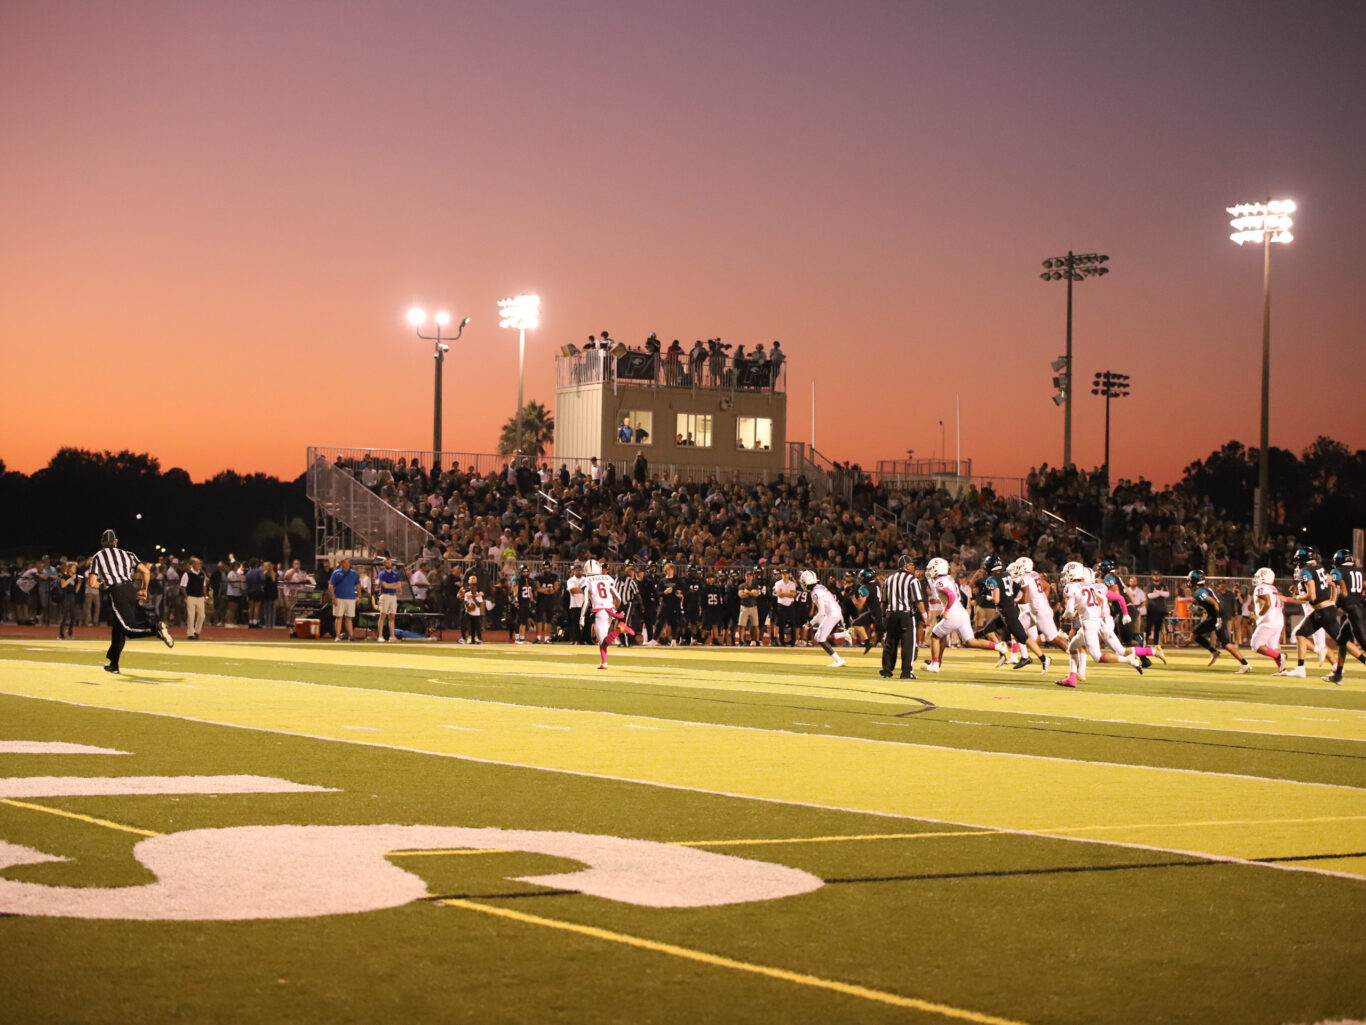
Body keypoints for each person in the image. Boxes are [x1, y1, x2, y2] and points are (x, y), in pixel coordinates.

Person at [87, 528, 174, 673]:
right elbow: (146, 571)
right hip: (130, 589)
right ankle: (114, 664)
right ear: (116, 542)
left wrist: (102, 585)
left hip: (116, 592)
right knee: (118, 630)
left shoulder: (98, 556)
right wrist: (144, 590)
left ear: (102, 542)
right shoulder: (128, 554)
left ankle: (156, 629)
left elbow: (92, 583)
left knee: (129, 629)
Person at [924, 557, 1002, 672]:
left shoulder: (939, 581)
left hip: (953, 613)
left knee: (934, 636)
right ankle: (999, 646)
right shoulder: (949, 578)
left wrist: (946, 610)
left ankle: (934, 664)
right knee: (971, 641)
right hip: (961, 612)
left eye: (931, 568)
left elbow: (951, 595)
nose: (930, 571)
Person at [1188, 569, 1250, 671]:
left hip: (1217, 617)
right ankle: (1213, 651)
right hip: (1213, 617)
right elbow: (1209, 605)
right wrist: (1198, 608)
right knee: (1194, 634)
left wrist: (1219, 619)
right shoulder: (1204, 590)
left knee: (1226, 644)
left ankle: (1245, 664)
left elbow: (1214, 603)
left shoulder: (1200, 592)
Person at [579, 558, 634, 669]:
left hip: (600, 611)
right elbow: (618, 597)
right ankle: (604, 662)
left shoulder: (586, 580)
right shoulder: (607, 578)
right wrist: (614, 610)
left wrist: (582, 617)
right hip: (610, 609)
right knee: (602, 640)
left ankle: (620, 629)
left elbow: (586, 601)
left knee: (603, 641)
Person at [879, 556, 926, 679]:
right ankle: (906, 672)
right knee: (908, 644)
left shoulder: (889, 580)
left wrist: (884, 615)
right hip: (906, 615)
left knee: (890, 643)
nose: (914, 567)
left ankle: (887, 671)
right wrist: (925, 615)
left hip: (891, 614)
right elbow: (918, 600)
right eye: (912, 565)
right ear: (906, 566)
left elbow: (883, 601)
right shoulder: (912, 580)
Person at [1325, 549, 1366, 684]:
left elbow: (1342, 591)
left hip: (1352, 609)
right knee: (1342, 640)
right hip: (1358, 607)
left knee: (1364, 642)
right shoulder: (1359, 570)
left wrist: (1335, 604)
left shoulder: (1337, 571)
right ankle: (1338, 675)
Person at [798, 569, 851, 667]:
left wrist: (810, 624)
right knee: (818, 637)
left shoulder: (816, 592)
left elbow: (821, 612)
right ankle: (844, 634)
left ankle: (839, 660)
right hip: (834, 611)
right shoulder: (819, 587)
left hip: (832, 614)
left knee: (821, 638)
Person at [1249, 567, 1288, 673]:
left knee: (1255, 645)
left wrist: (1258, 615)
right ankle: (1282, 669)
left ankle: (1279, 656)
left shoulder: (1261, 587)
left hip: (1268, 621)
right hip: (1278, 619)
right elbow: (1281, 603)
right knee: (1274, 646)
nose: (1256, 578)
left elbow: (1268, 602)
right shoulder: (1274, 589)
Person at [328, 557, 360, 641]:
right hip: (339, 598)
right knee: (339, 617)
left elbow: (358, 585)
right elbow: (330, 586)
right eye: (345, 563)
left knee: (349, 618)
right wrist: (333, 598)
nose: (347, 564)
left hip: (350, 598)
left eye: (348, 563)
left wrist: (359, 596)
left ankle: (351, 636)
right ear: (341, 563)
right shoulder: (336, 573)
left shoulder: (353, 573)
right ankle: (337, 636)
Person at [181, 556, 209, 639]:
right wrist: (186, 596)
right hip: (191, 597)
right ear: (193, 564)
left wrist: (205, 596)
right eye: (197, 563)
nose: (199, 565)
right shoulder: (187, 574)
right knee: (191, 616)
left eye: (200, 563)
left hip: (200, 597)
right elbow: (183, 586)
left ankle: (196, 631)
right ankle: (190, 633)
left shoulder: (202, 574)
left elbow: (204, 586)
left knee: (202, 615)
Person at [375, 557, 402, 642]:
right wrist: (393, 584)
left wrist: (390, 585)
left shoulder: (395, 573)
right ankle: (380, 636)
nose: (389, 564)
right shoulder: (382, 574)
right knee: (383, 615)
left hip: (393, 595)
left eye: (390, 562)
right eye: (387, 562)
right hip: (385, 595)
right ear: (384, 564)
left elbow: (399, 586)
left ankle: (392, 636)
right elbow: (384, 586)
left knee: (392, 616)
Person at [55, 561, 78, 639]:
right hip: (66, 597)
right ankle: (61, 634)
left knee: (73, 616)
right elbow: (63, 585)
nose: (75, 569)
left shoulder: (75, 577)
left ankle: (70, 631)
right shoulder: (65, 576)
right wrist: (71, 578)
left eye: (75, 568)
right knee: (64, 616)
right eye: (73, 568)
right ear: (69, 568)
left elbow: (76, 590)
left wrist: (79, 583)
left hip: (72, 597)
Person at [459, 574, 484, 644]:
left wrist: (474, 598)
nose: (472, 588)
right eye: (471, 586)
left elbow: (479, 605)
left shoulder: (478, 594)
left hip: (476, 613)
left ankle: (479, 639)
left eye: (474, 586)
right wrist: (468, 607)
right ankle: (463, 638)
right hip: (469, 612)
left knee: (477, 627)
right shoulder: (467, 593)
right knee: (463, 625)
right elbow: (465, 602)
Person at [1146, 573, 1169, 646]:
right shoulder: (1150, 585)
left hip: (1161, 610)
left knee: (1158, 628)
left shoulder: (1163, 585)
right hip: (1152, 610)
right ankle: (1144, 643)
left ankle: (1156, 644)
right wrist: (1161, 592)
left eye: (1158, 575)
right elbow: (1150, 596)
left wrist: (1157, 592)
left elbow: (1167, 594)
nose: (1156, 577)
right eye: (1154, 575)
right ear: (1152, 576)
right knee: (1148, 628)